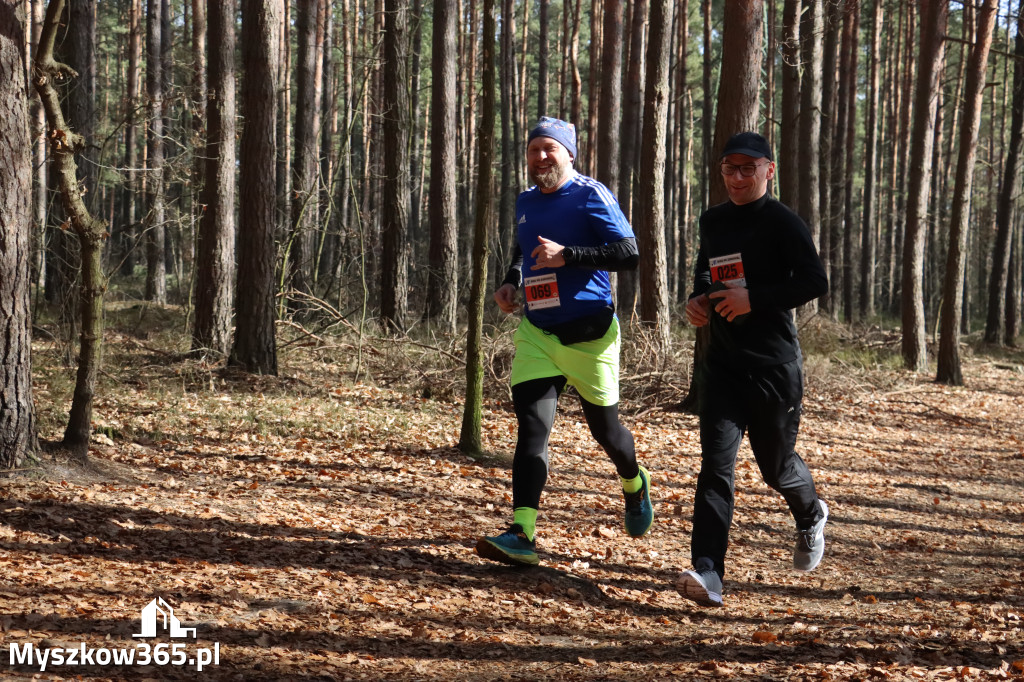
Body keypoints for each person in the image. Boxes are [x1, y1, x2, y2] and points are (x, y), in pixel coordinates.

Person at [475, 116, 654, 567]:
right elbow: (522, 249)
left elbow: (628, 253)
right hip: (538, 332)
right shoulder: (526, 200)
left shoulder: (590, 194)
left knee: (607, 434)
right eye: (533, 150)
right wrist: (511, 281)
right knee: (532, 431)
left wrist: (569, 256)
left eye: (548, 150)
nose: (539, 158)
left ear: (569, 154)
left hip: (590, 337)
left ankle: (634, 482)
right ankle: (523, 533)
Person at [676, 131, 829, 607]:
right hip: (721, 365)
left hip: (772, 368)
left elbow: (814, 281)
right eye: (729, 169)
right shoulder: (714, 219)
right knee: (715, 468)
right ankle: (709, 573)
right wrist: (698, 299)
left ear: (769, 170)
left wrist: (753, 300)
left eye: (748, 168)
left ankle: (810, 513)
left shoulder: (784, 223)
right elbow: (707, 269)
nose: (738, 178)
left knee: (776, 467)